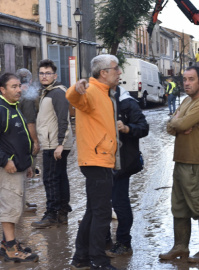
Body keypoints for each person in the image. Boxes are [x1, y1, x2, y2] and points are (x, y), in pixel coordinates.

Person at [66, 54, 121, 270]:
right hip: (96, 160)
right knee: (101, 213)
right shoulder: (90, 90)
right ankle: (98, 260)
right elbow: (74, 98)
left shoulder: (105, 93)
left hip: (100, 159)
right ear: (103, 72)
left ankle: (80, 259)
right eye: (116, 68)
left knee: (93, 211)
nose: (119, 72)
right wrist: (76, 87)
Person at [160, 66, 199, 263]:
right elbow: (171, 127)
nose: (186, 83)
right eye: (184, 79)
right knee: (179, 206)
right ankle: (180, 247)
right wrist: (178, 121)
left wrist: (179, 122)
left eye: (191, 79)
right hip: (181, 161)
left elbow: (179, 125)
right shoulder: (185, 101)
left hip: (197, 163)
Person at [106, 85, 149, 257]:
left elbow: (144, 127)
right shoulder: (100, 98)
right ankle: (104, 239)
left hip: (122, 163)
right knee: (101, 203)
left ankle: (124, 243)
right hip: (103, 161)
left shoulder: (127, 102)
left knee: (119, 202)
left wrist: (126, 128)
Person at [31, 59, 75, 228]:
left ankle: (52, 213)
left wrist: (60, 144)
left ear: (54, 75)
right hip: (52, 143)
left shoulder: (57, 93)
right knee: (60, 177)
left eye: (48, 73)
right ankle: (62, 212)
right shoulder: (47, 92)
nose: (44, 76)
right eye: (41, 73)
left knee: (50, 179)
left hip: (55, 145)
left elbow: (64, 120)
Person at [0, 73, 39, 263]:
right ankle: (11, 249)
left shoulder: (13, 106)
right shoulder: (1, 109)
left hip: (19, 167)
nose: (18, 90)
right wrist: (4, 160)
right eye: (13, 86)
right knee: (10, 208)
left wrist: (28, 163)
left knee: (15, 206)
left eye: (19, 86)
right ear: (2, 90)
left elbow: (20, 137)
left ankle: (5, 243)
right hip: (8, 169)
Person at [15, 69, 40, 159]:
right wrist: (36, 141)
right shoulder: (28, 97)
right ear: (30, 81)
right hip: (25, 139)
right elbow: (30, 123)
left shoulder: (11, 95)